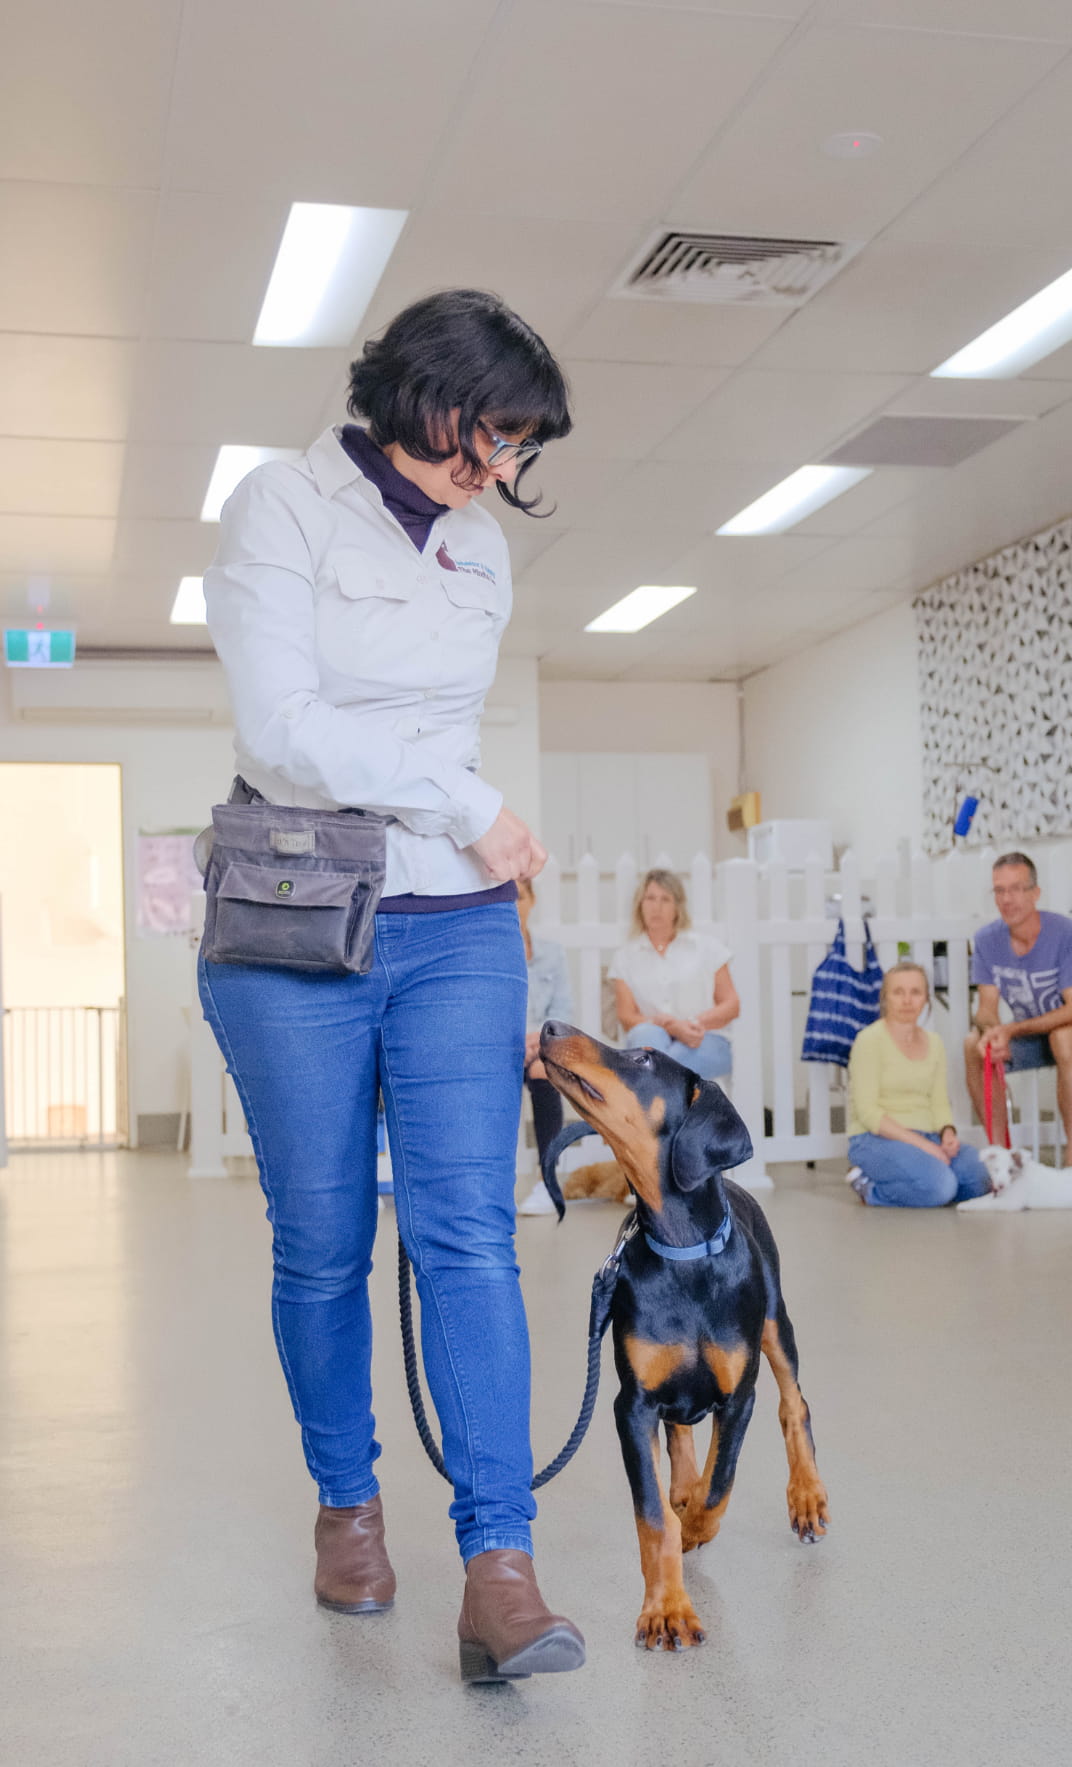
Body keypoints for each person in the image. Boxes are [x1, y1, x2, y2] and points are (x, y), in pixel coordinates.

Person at [199, 289, 587, 1680]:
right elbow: (282, 725)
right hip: (299, 910)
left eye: (513, 449)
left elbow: (438, 720)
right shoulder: (279, 507)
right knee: (319, 1240)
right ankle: (347, 1508)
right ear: (415, 396)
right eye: (482, 436)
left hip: (458, 920)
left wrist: (472, 831)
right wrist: (461, 798)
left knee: (468, 1235)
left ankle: (500, 1564)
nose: (494, 471)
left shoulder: (482, 552)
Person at [964, 852, 1072, 1167]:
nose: (1007, 899)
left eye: (1016, 889)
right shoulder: (986, 940)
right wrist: (992, 1032)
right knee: (974, 1045)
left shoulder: (1067, 934)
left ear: (1035, 894)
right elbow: (986, 1008)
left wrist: (1010, 1029)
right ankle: (1001, 1159)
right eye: (999, 890)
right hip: (1041, 1035)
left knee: (1064, 1037)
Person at [847, 960, 991, 1207]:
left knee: (982, 1178)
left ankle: (927, 1186)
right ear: (885, 998)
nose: (907, 1000)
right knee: (941, 1186)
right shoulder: (869, 1040)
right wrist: (926, 1147)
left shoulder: (934, 1043)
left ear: (926, 998)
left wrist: (947, 1133)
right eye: (898, 992)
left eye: (915, 992)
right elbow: (869, 1113)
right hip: (875, 1139)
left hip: (927, 1135)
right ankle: (870, 1189)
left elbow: (938, 1101)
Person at [608, 869, 739, 1080]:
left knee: (661, 1069)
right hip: (653, 1036)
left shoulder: (706, 948)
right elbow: (626, 1016)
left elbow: (732, 1005)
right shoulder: (625, 957)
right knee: (647, 1037)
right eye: (650, 898)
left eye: (665, 899)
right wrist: (670, 1026)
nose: (656, 907)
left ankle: (651, 1105)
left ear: (678, 907)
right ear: (640, 904)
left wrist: (692, 1023)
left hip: (705, 1038)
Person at [517, 876, 573, 1169]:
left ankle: (548, 1176)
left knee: (544, 1072)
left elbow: (562, 1010)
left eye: (519, 897)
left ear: (532, 900)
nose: (514, 905)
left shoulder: (552, 953)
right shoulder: (488, 955)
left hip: (541, 1046)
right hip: (504, 1046)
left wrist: (539, 1042)